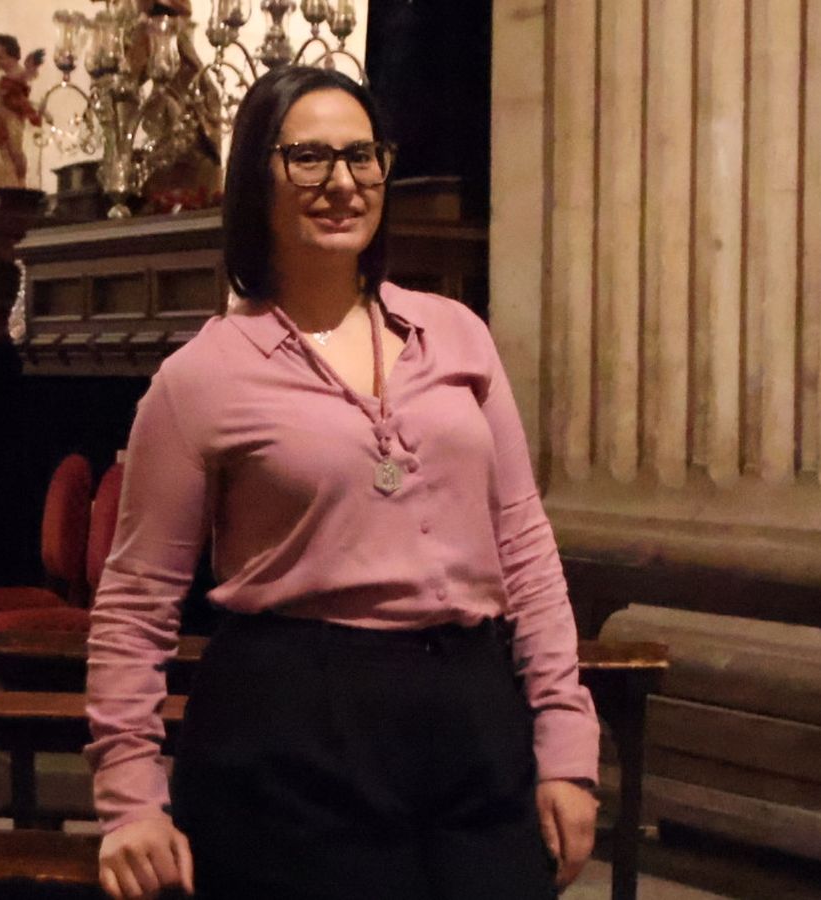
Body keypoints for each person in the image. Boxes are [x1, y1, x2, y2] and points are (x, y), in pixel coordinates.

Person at [84, 65, 601, 899]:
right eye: (309, 158)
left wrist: (567, 744)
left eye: (362, 156)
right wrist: (130, 801)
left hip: (471, 712)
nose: (343, 183)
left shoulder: (456, 335)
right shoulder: (201, 378)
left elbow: (525, 544)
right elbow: (135, 603)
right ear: (257, 178)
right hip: (294, 728)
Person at [0, 34, 44, 187]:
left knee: (15, 148)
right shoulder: (2, 80)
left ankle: (21, 179)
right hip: (1, 115)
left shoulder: (20, 74)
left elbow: (27, 80)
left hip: (14, 115)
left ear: (13, 56)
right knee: (4, 150)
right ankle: (11, 180)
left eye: (0, 57)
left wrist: (30, 66)